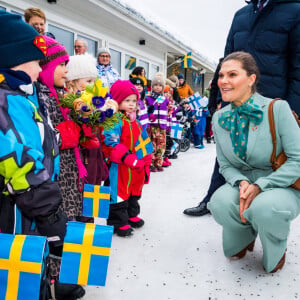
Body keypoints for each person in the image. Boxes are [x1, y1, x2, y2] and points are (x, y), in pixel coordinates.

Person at [184, 0, 300, 217]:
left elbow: (298, 66)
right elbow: (226, 59)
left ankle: (265, 210)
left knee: (268, 158)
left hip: (271, 103)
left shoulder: (295, 11)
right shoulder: (241, 15)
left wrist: (292, 110)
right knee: (227, 154)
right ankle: (214, 199)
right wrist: (217, 98)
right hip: (235, 101)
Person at [0, 11, 79, 299]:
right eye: (35, 61)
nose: (38, 69)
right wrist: (50, 212)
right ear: (13, 59)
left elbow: (37, 142)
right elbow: (17, 162)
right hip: (18, 211)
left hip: (29, 210)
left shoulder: (18, 97)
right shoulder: (5, 101)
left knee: (33, 272)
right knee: (19, 281)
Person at [207, 51, 300, 273]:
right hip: (243, 184)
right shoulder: (220, 118)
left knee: (265, 209)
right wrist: (240, 182)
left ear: (251, 79)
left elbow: (298, 159)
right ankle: (243, 236)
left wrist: (261, 186)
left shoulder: (277, 108)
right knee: (219, 203)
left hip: (280, 184)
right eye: (221, 75)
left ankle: (274, 245)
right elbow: (225, 164)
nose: (224, 81)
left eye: (232, 74)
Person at [38, 36, 98, 299]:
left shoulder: (59, 95)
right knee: (58, 230)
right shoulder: (44, 97)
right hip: (57, 176)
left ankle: (67, 276)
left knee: (70, 223)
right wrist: (72, 132)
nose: (66, 70)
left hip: (71, 172)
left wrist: (87, 125)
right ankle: (55, 282)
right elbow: (51, 136)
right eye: (62, 64)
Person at [102, 80, 152, 237]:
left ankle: (131, 214)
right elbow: (111, 142)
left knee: (134, 192)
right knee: (118, 194)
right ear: (117, 101)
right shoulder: (114, 121)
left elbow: (143, 142)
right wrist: (128, 158)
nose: (131, 104)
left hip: (135, 167)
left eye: (134, 101)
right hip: (120, 167)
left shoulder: (135, 121)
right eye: (127, 100)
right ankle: (118, 221)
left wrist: (146, 160)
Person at [65, 54, 107, 185]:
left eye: (94, 81)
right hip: (81, 166)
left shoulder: (94, 104)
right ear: (72, 82)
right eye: (88, 81)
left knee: (94, 202)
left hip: (94, 161)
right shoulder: (70, 106)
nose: (92, 85)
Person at [145, 75, 169, 172]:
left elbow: (170, 110)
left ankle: (158, 162)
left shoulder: (165, 99)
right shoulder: (148, 99)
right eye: (155, 85)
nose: (157, 87)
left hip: (162, 126)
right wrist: (149, 114)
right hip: (152, 126)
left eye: (160, 85)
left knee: (161, 145)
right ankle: (151, 163)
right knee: (152, 145)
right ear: (152, 86)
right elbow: (145, 110)